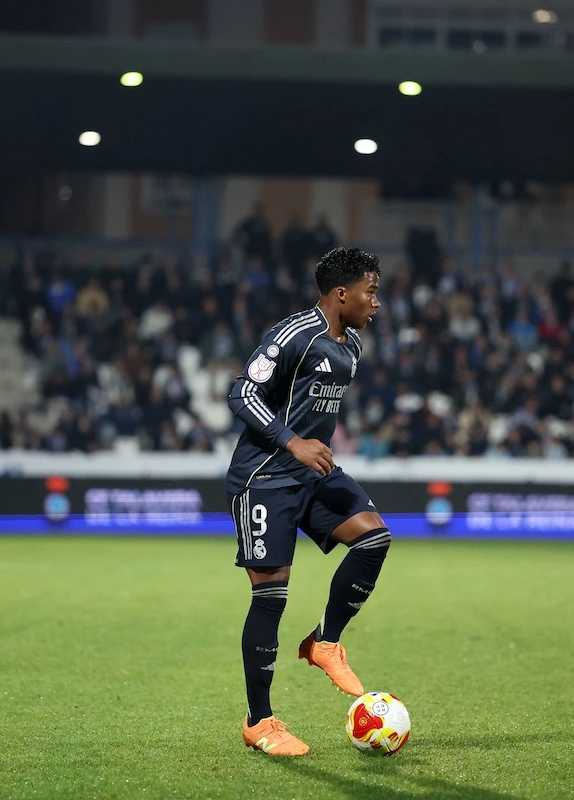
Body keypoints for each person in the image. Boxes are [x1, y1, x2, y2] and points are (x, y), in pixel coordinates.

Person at [226, 247, 388, 757]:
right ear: (342, 293)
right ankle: (260, 721)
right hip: (266, 476)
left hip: (314, 475)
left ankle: (324, 641)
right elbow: (240, 393)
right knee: (271, 595)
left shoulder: (353, 347)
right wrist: (292, 441)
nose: (376, 302)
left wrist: (309, 449)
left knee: (374, 537)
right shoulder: (293, 333)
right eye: (371, 291)